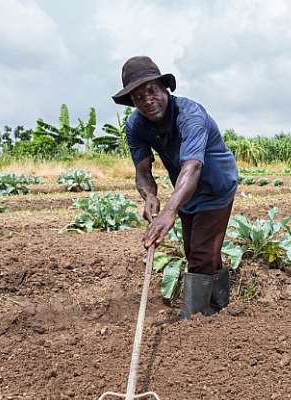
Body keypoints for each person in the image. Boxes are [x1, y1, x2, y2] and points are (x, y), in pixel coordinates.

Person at [112, 56, 238, 319]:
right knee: (197, 250)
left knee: (200, 254)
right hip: (186, 192)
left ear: (164, 89)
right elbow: (143, 172)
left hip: (215, 186)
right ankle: (219, 308)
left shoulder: (190, 116)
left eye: (152, 91)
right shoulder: (135, 126)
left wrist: (169, 211)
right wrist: (149, 196)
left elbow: (192, 167)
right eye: (138, 97)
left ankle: (194, 320)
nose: (147, 100)